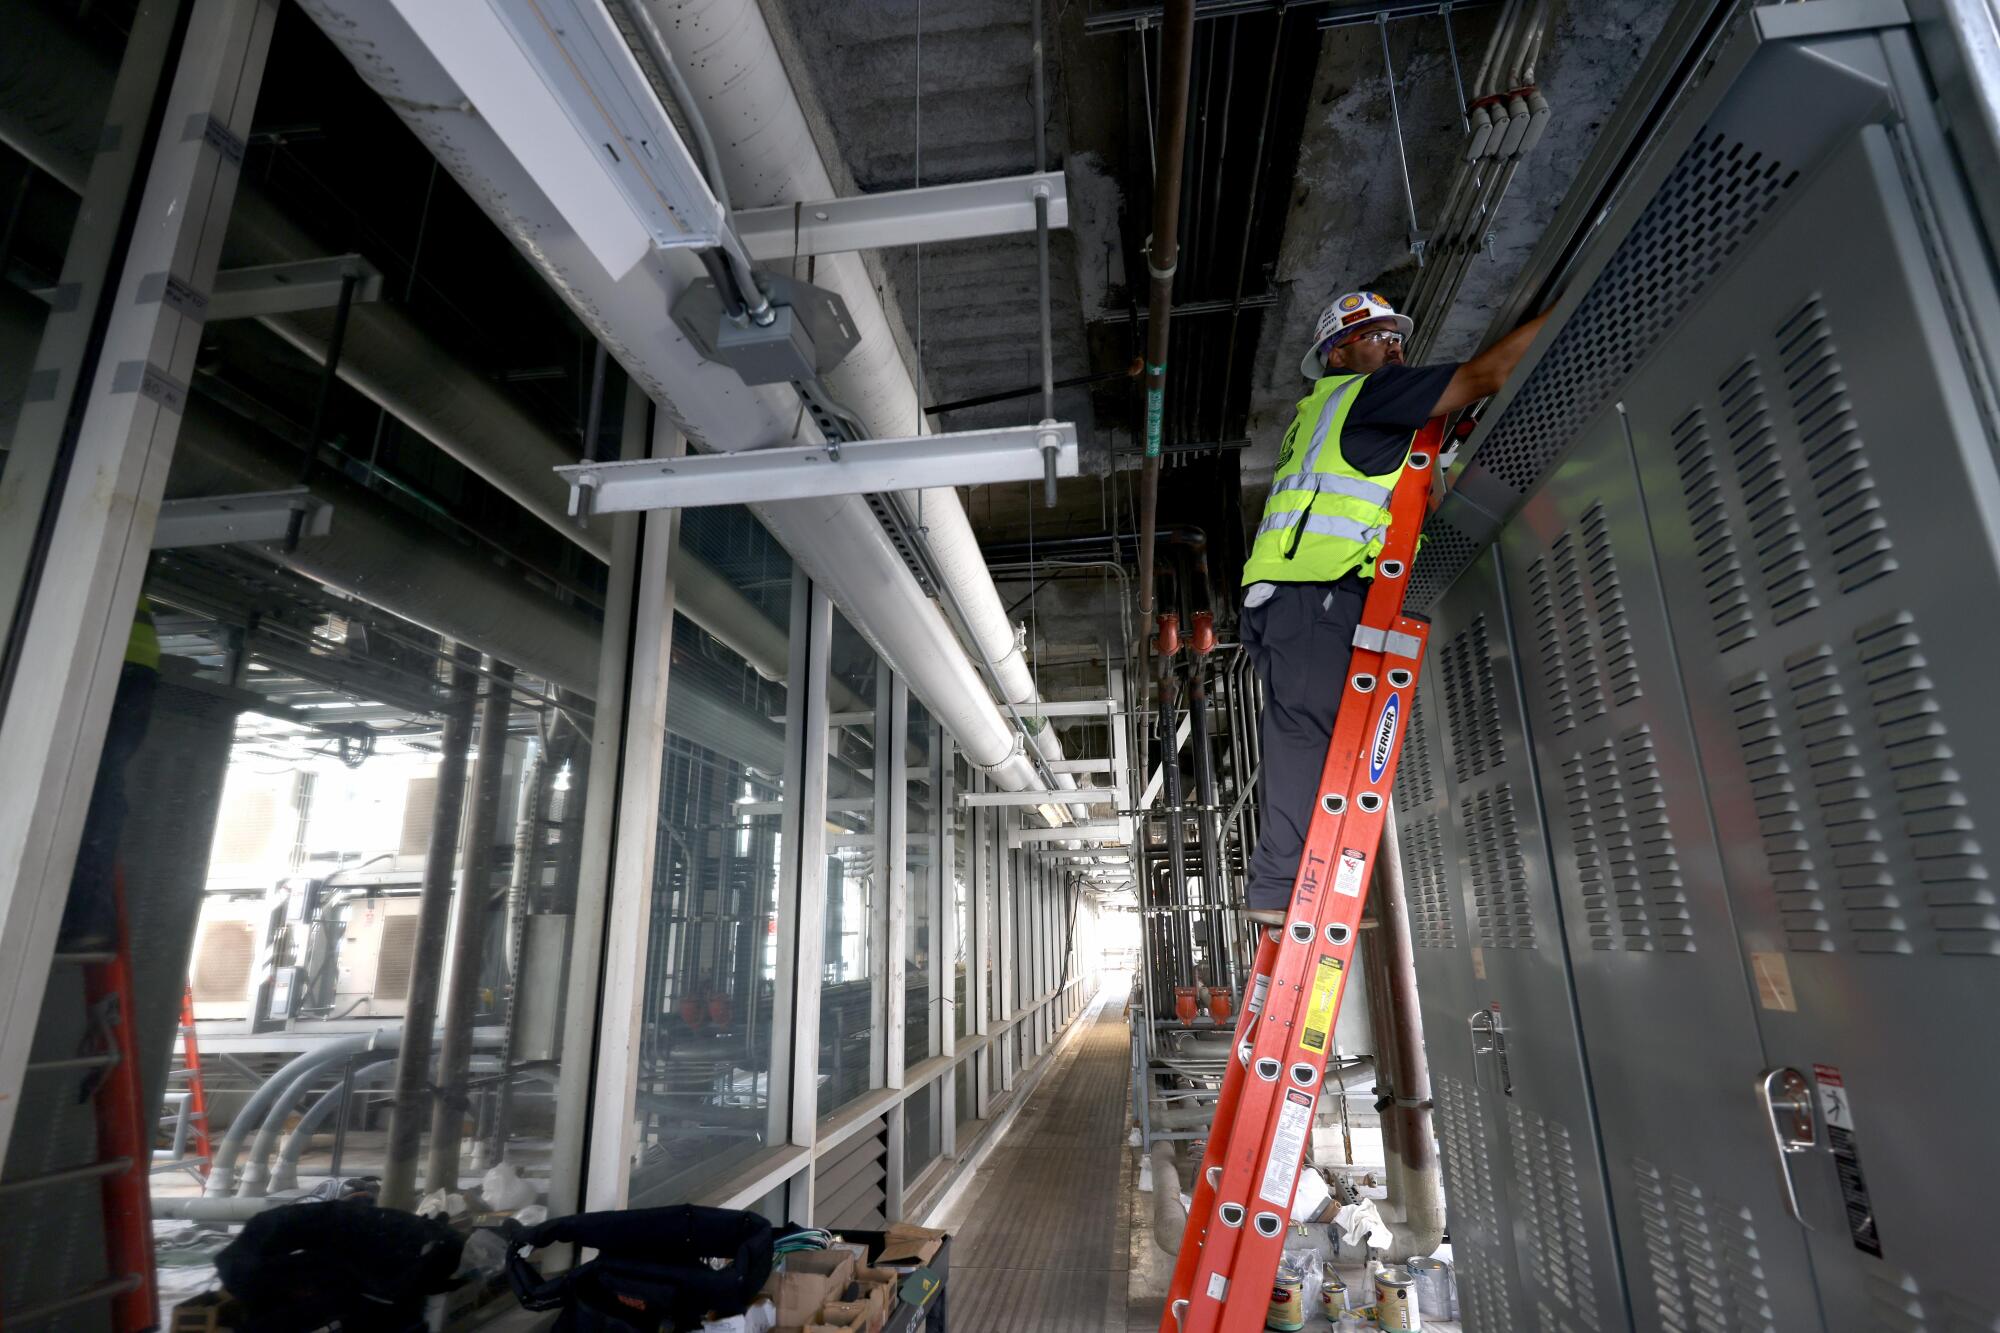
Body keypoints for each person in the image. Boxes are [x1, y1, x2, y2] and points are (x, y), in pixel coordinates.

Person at [1240, 292, 1548, 923]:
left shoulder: (1332, 412)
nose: (1394, 346)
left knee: (1317, 735)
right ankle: (1284, 891)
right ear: (1338, 353)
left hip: (1301, 591)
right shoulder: (1362, 394)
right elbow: (1487, 374)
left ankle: (1293, 887)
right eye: (1376, 336)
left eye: (1396, 336)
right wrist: (1573, 304)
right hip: (1315, 589)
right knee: (1309, 735)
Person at [57, 594, 163, 948]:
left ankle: (84, 916)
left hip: (111, 660)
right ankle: (85, 916)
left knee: (95, 785)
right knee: (99, 784)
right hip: (131, 666)